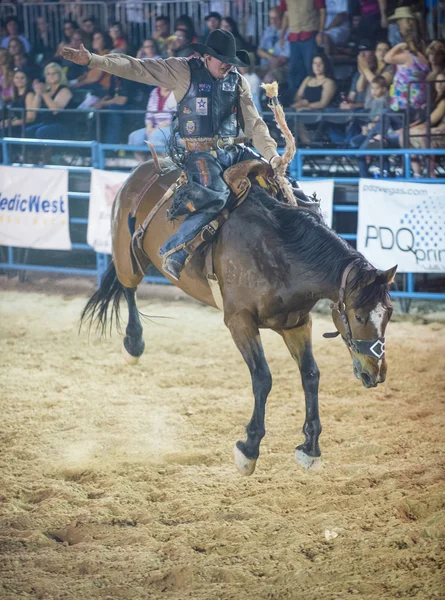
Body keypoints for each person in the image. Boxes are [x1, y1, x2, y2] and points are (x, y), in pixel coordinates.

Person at [62, 29, 289, 280]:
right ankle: (174, 250)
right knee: (214, 194)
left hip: (234, 149)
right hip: (200, 152)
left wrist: (272, 155)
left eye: (230, 60)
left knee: (274, 181)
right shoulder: (182, 70)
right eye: (222, 58)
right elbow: (136, 67)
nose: (227, 64)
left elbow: (254, 124)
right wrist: (94, 60)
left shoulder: (237, 81)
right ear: (207, 57)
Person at [280, 0, 327, 96]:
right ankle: (293, 96)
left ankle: (312, 95)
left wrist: (320, 32)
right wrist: (282, 35)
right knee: (294, 69)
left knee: (310, 67)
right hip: (293, 36)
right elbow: (286, 14)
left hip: (310, 34)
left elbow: (322, 11)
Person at [349, 75, 390, 176]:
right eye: (372, 88)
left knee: (361, 153)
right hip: (369, 133)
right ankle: (365, 175)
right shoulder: (374, 101)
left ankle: (365, 177)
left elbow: (379, 118)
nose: (374, 91)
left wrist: (369, 127)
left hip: (377, 134)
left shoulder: (383, 101)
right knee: (354, 142)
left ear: (384, 89)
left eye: (377, 88)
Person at [291, 53, 336, 144]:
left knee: (296, 115)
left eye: (320, 63)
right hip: (302, 108)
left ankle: (307, 143)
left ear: (325, 65)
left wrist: (306, 105)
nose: (317, 66)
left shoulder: (328, 82)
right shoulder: (308, 79)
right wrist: (301, 102)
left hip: (317, 111)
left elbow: (323, 103)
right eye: (315, 63)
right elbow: (297, 97)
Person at [25, 62, 77, 140]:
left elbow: (55, 110)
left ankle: (46, 152)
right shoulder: (46, 91)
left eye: (54, 73)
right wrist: (38, 93)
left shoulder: (65, 90)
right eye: (48, 74)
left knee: (41, 132)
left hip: (63, 124)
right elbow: (33, 110)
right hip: (46, 123)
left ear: (60, 74)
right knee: (28, 131)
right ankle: (31, 152)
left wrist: (44, 93)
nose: (51, 76)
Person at [128, 86, 177, 160]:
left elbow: (172, 118)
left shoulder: (176, 93)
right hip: (153, 127)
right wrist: (149, 128)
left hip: (170, 127)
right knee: (135, 137)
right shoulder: (154, 92)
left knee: (155, 136)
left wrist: (155, 130)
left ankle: (162, 166)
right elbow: (149, 113)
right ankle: (142, 165)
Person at [1, 69, 38, 137]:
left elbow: (30, 118)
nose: (19, 80)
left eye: (22, 78)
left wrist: (12, 123)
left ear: (27, 80)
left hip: (24, 126)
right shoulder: (14, 94)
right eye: (17, 77)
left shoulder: (29, 95)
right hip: (15, 123)